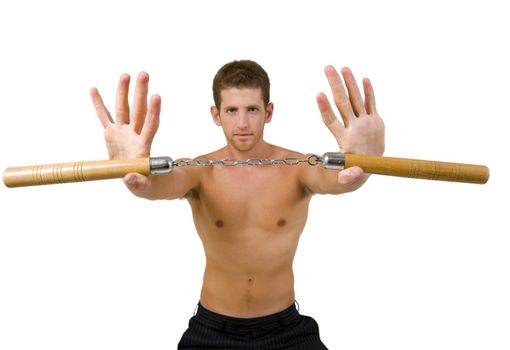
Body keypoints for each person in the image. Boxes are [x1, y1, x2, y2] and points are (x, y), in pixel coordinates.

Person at [90, 60, 385, 349]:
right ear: (216, 114)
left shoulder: (297, 167)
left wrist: (363, 162)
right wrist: (137, 173)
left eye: (252, 109)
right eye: (231, 110)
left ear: (268, 112)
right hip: (212, 331)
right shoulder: (200, 170)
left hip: (286, 331)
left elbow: (338, 179)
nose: (242, 123)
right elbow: (157, 186)